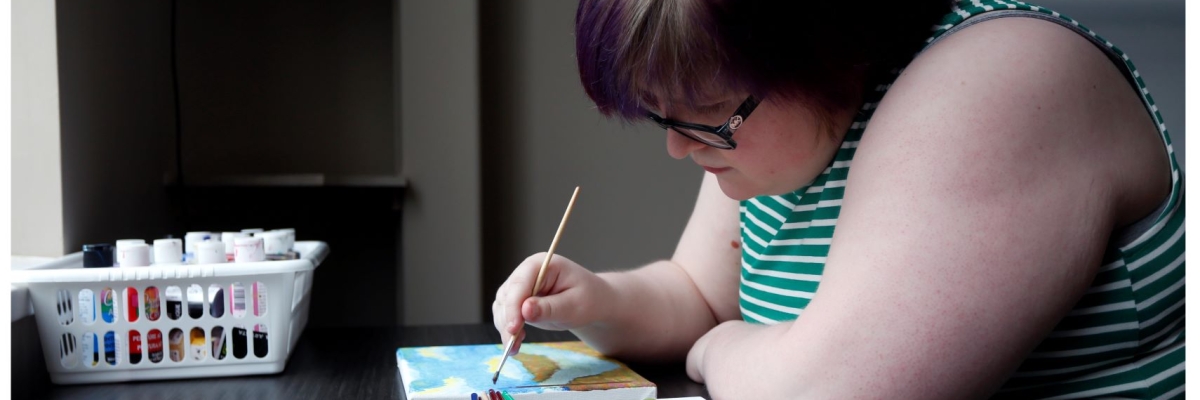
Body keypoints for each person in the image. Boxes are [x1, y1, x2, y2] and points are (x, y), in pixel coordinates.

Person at [491, 1, 1184, 398]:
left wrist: (716, 350)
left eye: (704, 112)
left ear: (827, 47)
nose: (678, 149)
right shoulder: (774, 145)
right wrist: (590, 302)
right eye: (662, 117)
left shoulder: (1003, 82)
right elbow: (698, 295)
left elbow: (821, 394)